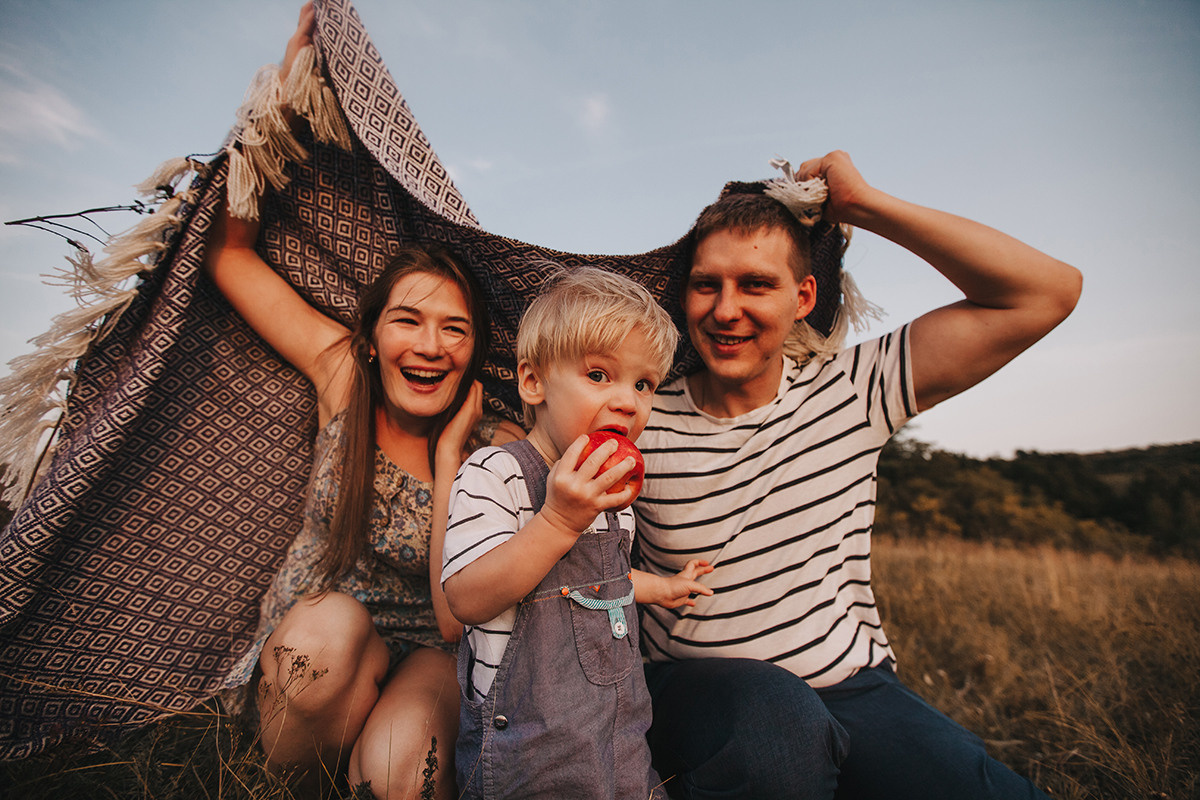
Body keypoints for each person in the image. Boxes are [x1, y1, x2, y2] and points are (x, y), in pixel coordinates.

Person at [632, 151, 1083, 799]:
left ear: (802, 297)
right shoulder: (638, 415)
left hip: (851, 686)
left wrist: (865, 205)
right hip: (702, 695)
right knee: (774, 728)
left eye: (755, 284)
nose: (725, 309)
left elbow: (1047, 292)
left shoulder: (855, 387)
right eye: (708, 284)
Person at [204, 14, 523, 795]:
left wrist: (454, 461)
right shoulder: (340, 378)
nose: (429, 345)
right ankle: (299, 774)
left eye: (454, 329)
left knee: (400, 781)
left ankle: (367, 763)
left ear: (476, 352)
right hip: (319, 640)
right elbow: (230, 256)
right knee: (332, 642)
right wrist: (285, 91)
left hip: (431, 657)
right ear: (372, 337)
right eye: (407, 320)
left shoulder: (498, 441)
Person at [441, 267, 713, 799]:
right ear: (533, 382)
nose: (627, 402)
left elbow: (603, 582)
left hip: (619, 742)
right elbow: (466, 599)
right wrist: (557, 521)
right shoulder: (494, 473)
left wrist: (663, 587)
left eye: (643, 384)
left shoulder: (612, 490)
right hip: (526, 753)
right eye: (598, 375)